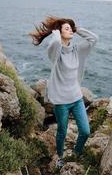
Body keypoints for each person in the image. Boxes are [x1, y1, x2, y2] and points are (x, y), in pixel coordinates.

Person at [29, 16, 99, 168]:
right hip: (61, 101)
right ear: (59, 32)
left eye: (71, 28)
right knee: (62, 131)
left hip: (77, 98)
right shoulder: (56, 53)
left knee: (85, 131)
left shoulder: (77, 50)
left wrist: (76, 29)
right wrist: (55, 33)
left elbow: (94, 39)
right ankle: (60, 156)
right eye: (67, 28)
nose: (70, 30)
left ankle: (76, 153)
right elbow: (54, 43)